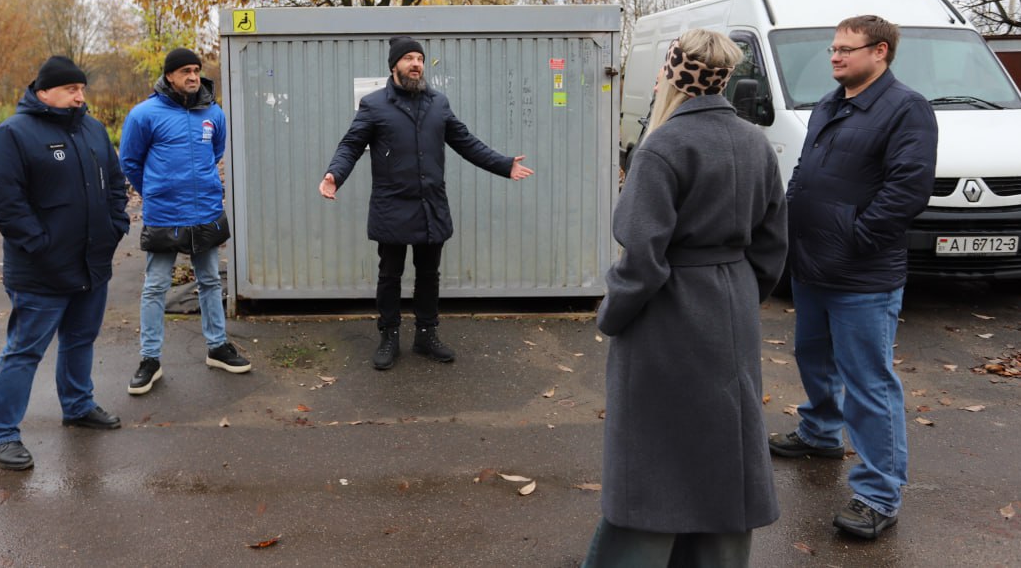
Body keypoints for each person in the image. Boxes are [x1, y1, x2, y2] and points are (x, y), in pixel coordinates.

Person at [583, 30, 788, 567]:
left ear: (674, 75)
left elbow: (642, 258)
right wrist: (739, 294)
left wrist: (612, 316)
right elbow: (772, 246)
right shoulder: (755, 141)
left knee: (654, 458)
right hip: (732, 310)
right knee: (725, 449)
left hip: (667, 318)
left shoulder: (663, 147)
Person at [769, 15, 938, 540]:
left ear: (880, 51)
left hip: (862, 274)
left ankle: (878, 494)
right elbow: (805, 171)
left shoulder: (906, 109)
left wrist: (855, 238)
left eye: (846, 49)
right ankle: (820, 433)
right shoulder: (830, 103)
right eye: (833, 48)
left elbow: (907, 191)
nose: (836, 56)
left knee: (869, 383)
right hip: (812, 263)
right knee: (813, 358)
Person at [319, 35, 535, 370]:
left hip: (430, 205)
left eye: (419, 58)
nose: (416, 64)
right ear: (394, 65)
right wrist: (335, 175)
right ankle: (389, 336)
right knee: (390, 274)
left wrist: (504, 164)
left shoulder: (438, 103)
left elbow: (466, 142)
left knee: (429, 274)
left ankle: (425, 334)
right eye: (408, 58)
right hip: (391, 206)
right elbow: (350, 145)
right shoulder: (374, 105)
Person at [0, 56, 130, 471]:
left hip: (92, 264)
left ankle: (78, 405)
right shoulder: (13, 134)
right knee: (24, 352)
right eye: (70, 89)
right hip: (40, 270)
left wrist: (115, 225)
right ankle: (2, 434)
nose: (79, 96)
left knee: (81, 340)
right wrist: (41, 245)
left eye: (82, 89)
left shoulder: (93, 129)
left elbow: (115, 184)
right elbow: (3, 204)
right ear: (43, 91)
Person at [120, 48, 250, 396]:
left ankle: (218, 347)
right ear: (169, 77)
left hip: (206, 212)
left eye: (196, 70)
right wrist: (158, 191)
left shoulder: (213, 113)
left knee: (209, 281)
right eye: (185, 71)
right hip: (165, 216)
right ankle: (150, 360)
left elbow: (215, 152)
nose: (193, 76)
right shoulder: (144, 114)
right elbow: (130, 161)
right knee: (155, 287)